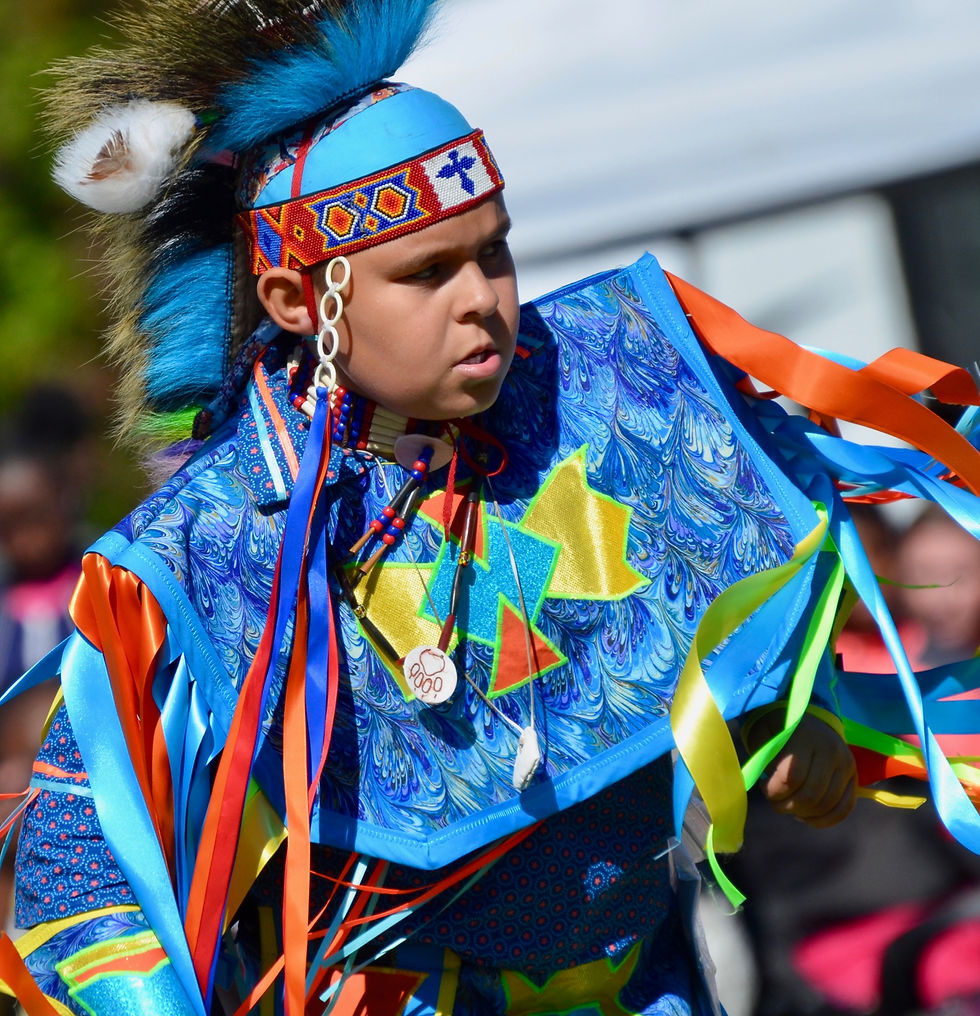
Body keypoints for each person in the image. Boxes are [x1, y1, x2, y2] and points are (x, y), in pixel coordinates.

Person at [2, 2, 980, 1014]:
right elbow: (81, 887)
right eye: (425, 273)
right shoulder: (199, 559)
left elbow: (734, 648)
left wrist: (788, 726)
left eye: (493, 252)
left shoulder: (610, 396)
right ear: (300, 301)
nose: (481, 299)